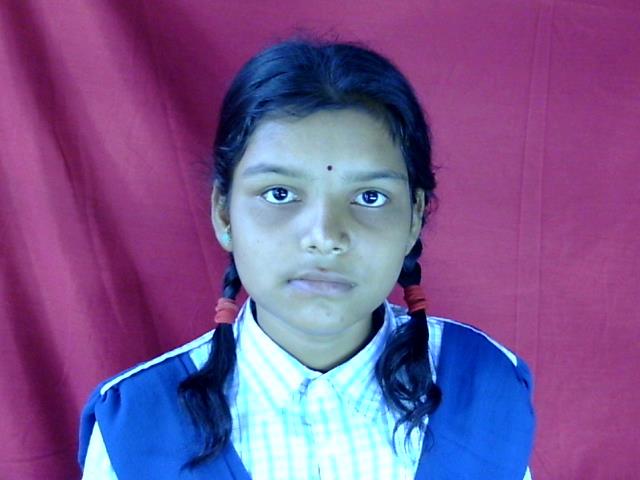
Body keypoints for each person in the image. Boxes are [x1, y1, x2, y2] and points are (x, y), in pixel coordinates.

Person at [78, 37, 535, 479]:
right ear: (224, 213)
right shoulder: (137, 426)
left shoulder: (485, 388)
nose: (325, 237)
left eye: (370, 197)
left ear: (415, 216)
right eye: (280, 193)